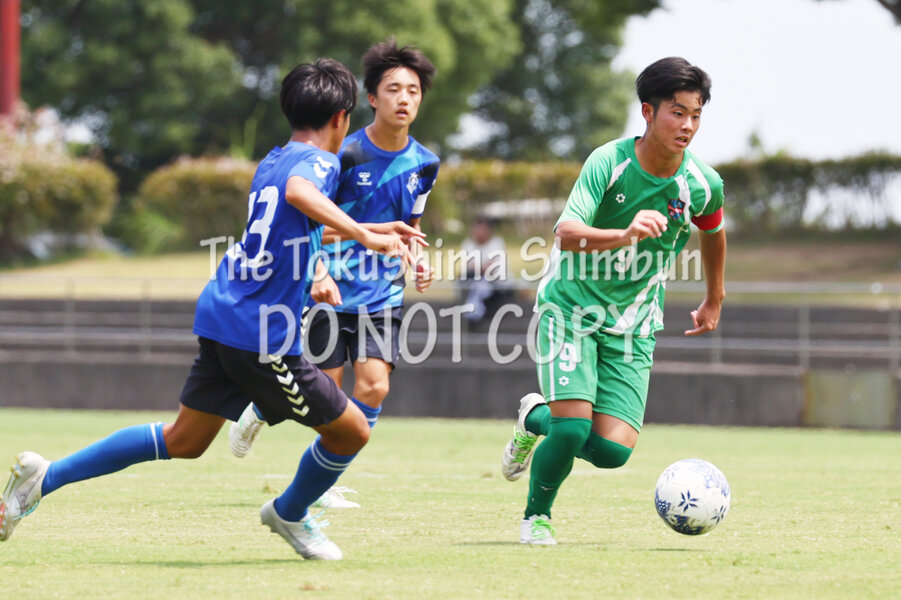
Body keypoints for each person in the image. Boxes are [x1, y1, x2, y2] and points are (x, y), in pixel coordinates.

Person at [0, 59, 423, 560]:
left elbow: (291, 224)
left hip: (224, 314)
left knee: (185, 439)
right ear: (341, 118)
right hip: (261, 334)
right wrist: (364, 234)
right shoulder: (322, 163)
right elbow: (301, 194)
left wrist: (368, 232)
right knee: (352, 431)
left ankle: (45, 477)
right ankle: (289, 512)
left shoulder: (274, 159)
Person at [500, 57, 727, 545]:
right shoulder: (609, 162)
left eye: (696, 115)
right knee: (571, 430)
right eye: (677, 112)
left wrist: (714, 296)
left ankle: (534, 417)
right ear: (648, 112)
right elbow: (566, 233)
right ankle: (537, 518)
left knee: (611, 451)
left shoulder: (702, 183)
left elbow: (714, 231)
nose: (687, 125)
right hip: (570, 309)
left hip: (634, 323)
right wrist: (624, 234)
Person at [229, 40, 439, 508]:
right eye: (393, 89)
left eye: (413, 90)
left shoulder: (426, 163)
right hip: (329, 290)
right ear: (372, 98)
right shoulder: (343, 154)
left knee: (375, 387)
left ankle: (322, 483)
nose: (404, 99)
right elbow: (309, 222)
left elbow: (411, 225)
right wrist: (320, 270)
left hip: (382, 295)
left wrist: (418, 258)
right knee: (326, 397)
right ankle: (263, 406)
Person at [459, 216, 509, 324]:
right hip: (473, 282)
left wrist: (478, 267)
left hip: (495, 286)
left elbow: (492, 269)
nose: (479, 233)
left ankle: (473, 314)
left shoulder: (496, 243)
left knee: (481, 286)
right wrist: (482, 267)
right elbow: (468, 267)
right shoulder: (468, 244)